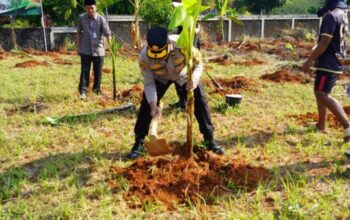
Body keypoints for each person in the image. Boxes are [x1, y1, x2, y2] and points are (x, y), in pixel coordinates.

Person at [127, 27, 224, 160]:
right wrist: (153, 105)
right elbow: (149, 83)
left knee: (200, 101)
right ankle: (139, 142)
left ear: (169, 45)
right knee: (146, 105)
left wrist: (194, 79)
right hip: (160, 77)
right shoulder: (144, 57)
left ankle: (209, 139)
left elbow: (199, 63)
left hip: (182, 74)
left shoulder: (182, 44)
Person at [302, 0, 350, 143]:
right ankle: (321, 125)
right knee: (320, 91)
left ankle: (347, 126)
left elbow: (325, 42)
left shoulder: (330, 16)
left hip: (328, 63)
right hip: (336, 60)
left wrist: (309, 60)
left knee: (321, 94)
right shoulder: (343, 15)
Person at [77, 0, 112, 100]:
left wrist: (111, 48)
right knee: (85, 71)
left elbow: (108, 34)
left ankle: (96, 90)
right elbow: (79, 33)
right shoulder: (81, 18)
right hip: (85, 49)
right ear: (85, 8)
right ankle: (83, 91)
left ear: (96, 8)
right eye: (87, 8)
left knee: (98, 72)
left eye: (92, 8)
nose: (90, 10)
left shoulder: (101, 19)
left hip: (98, 50)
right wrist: (78, 47)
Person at [170, 23, 202, 111]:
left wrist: (195, 31)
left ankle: (188, 102)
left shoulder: (192, 18)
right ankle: (182, 102)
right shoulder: (181, 19)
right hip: (179, 49)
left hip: (190, 49)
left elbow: (196, 30)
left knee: (189, 80)